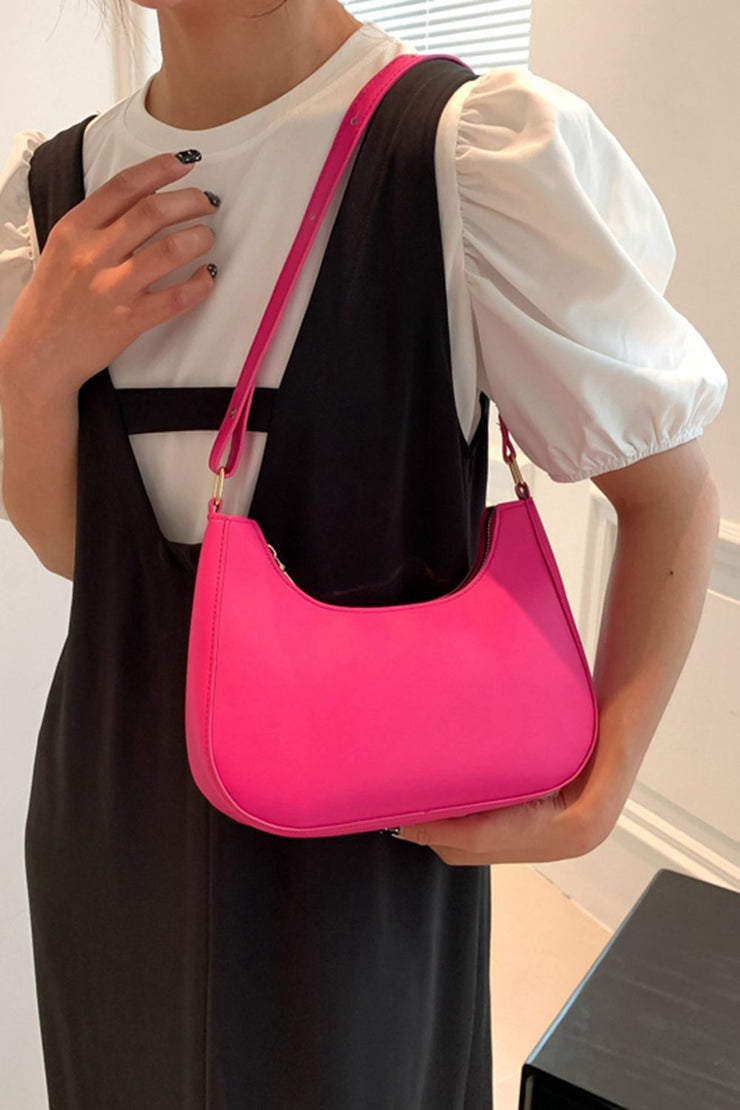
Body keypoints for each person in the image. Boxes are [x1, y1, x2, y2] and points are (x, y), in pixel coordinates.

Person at [0, 1, 727, 1106]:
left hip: (365, 831)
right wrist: (33, 368)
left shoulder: (464, 156)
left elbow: (668, 493)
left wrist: (599, 789)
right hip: (112, 815)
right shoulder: (51, 199)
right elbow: (78, 557)